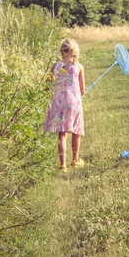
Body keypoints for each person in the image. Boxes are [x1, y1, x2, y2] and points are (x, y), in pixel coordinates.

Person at [44, 39, 86, 172]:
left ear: (61, 52)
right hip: (74, 103)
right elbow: (82, 89)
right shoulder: (79, 67)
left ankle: (62, 165)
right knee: (76, 131)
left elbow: (47, 85)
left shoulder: (55, 66)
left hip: (59, 102)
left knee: (62, 133)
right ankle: (75, 160)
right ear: (75, 53)